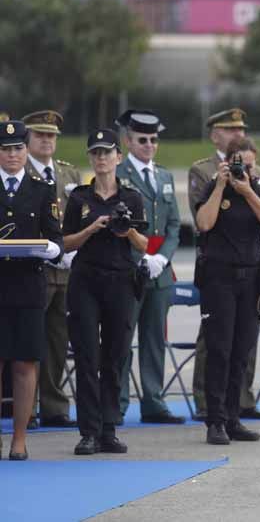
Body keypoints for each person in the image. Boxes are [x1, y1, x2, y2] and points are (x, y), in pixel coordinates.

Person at [63, 129, 148, 455]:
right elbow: (64, 242)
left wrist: (125, 230)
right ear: (90, 159)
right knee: (87, 356)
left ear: (118, 157)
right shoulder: (79, 198)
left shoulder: (131, 197)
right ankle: (88, 431)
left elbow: (145, 243)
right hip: (86, 279)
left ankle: (109, 428)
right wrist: (91, 228)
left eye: (107, 153)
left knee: (115, 354)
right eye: (96, 153)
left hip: (120, 280)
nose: (101, 159)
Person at [187, 108, 260, 421]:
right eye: (230, 129)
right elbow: (203, 222)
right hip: (218, 266)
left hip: (251, 264)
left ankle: (241, 402)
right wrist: (222, 184)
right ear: (214, 135)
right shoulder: (204, 171)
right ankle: (208, 404)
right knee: (215, 343)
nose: (237, 134)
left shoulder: (255, 170)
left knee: (243, 342)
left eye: (241, 129)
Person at [115, 109, 184, 425]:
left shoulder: (164, 176)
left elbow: (173, 224)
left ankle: (154, 401)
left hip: (159, 271)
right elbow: (118, 222)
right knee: (121, 337)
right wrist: (143, 255)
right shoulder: (119, 175)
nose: (149, 145)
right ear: (128, 141)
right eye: (142, 140)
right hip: (129, 268)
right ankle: (116, 401)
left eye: (154, 140)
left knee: (155, 339)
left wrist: (162, 257)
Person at [0, 120, 63, 460]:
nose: (12, 154)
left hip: (27, 286)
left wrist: (47, 249)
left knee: (25, 363)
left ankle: (19, 438)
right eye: (6, 149)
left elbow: (56, 240)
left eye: (18, 148)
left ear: (26, 150)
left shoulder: (42, 190)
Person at [21, 110, 81, 429]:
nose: (47, 140)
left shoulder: (68, 173)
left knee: (58, 339)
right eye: (40, 135)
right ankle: (25, 408)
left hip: (64, 269)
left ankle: (55, 405)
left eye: (52, 135)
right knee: (29, 339)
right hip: (33, 267)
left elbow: (75, 216)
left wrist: (71, 250)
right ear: (27, 138)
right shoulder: (19, 172)